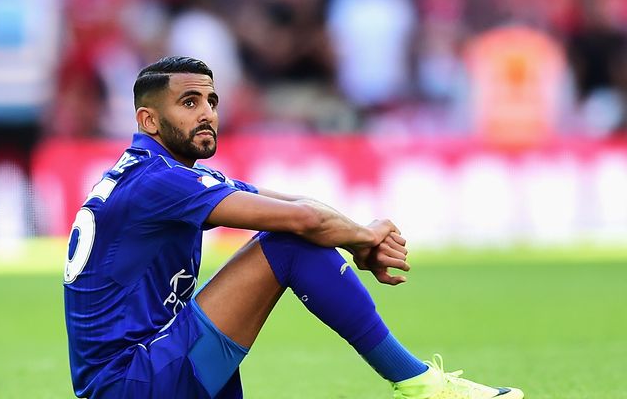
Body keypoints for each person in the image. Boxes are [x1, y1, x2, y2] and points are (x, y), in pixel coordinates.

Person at [63, 56, 524, 399]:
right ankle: (422, 385)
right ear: (148, 120)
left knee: (294, 235)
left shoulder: (157, 172)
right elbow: (301, 221)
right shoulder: (158, 180)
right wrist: (362, 240)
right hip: (135, 380)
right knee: (289, 245)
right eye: (189, 102)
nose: (206, 113)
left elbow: (295, 203)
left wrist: (353, 232)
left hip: (147, 367)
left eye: (211, 100)